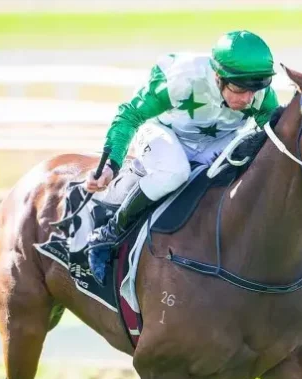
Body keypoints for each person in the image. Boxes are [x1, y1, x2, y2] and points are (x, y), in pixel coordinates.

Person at [83, 30, 280, 284]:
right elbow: (131, 115)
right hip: (163, 132)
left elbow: (275, 137)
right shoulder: (182, 78)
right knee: (175, 173)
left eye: (255, 90)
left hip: (215, 141)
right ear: (218, 76)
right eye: (240, 89)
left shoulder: (258, 93)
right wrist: (112, 164)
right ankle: (108, 233)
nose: (248, 98)